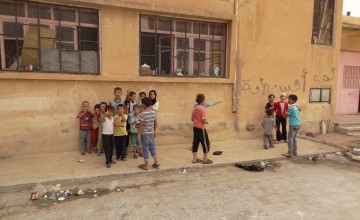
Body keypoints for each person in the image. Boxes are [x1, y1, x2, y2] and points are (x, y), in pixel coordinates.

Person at [137, 97, 160, 170]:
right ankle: (156, 162)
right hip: (151, 133)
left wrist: (138, 134)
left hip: (145, 134)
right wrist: (154, 131)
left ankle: (146, 165)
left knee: (145, 149)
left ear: (143, 104)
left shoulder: (142, 113)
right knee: (152, 147)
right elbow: (155, 123)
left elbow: (141, 125)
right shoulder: (153, 112)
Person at [191, 94, 213, 164]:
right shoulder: (203, 109)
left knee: (195, 142)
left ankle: (194, 159)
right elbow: (203, 120)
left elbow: (192, 119)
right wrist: (207, 122)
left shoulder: (194, 109)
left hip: (195, 127)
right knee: (206, 143)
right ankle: (205, 159)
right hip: (201, 128)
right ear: (203, 100)